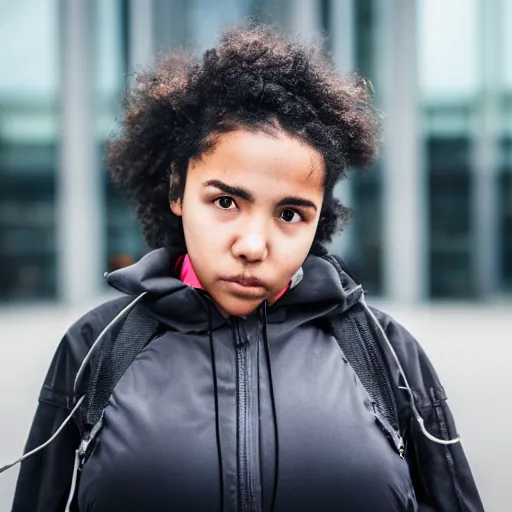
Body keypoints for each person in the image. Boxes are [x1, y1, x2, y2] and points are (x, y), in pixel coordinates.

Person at [9, 23, 483, 512]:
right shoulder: (95, 348)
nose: (253, 245)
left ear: (320, 217)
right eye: (226, 202)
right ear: (177, 191)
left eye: (290, 214)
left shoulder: (385, 353)